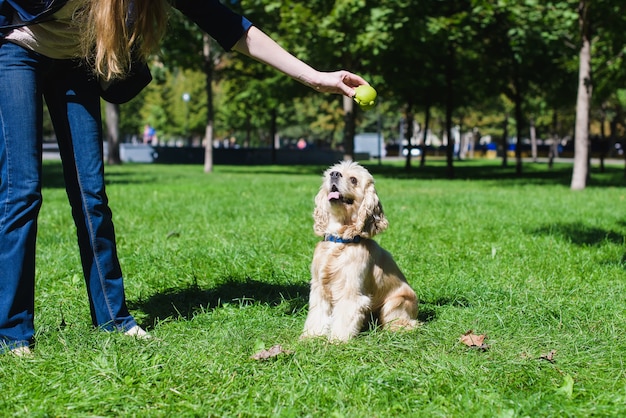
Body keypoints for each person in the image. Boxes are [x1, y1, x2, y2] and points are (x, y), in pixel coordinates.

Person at [0, 0, 369, 356]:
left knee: (90, 196)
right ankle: (14, 333)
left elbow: (227, 24)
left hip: (76, 62)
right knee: (22, 191)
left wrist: (314, 76)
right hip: (17, 46)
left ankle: (113, 319)